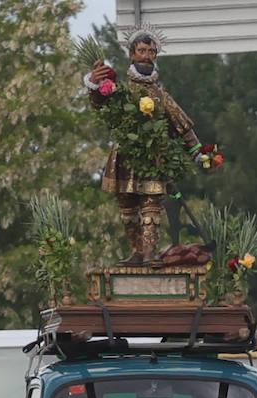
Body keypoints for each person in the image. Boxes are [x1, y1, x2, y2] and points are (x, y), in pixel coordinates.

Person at [87, 31, 202, 266]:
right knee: (127, 208)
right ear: (132, 54)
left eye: (152, 52)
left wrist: (200, 153)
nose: (147, 57)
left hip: (154, 158)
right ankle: (137, 252)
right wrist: (94, 85)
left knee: (151, 207)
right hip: (124, 159)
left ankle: (150, 254)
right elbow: (100, 105)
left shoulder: (161, 95)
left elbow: (183, 127)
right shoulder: (120, 90)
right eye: (142, 51)